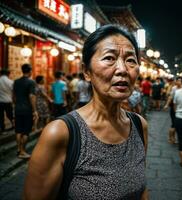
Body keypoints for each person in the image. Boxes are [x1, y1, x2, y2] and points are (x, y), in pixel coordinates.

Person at [23, 24, 148, 200]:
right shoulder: (60, 133)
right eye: (109, 58)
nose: (122, 69)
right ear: (86, 72)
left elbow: (142, 191)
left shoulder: (139, 125)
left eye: (130, 60)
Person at [13, 64, 38, 159]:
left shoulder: (16, 82)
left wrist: (16, 104)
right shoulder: (31, 82)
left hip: (18, 108)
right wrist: (35, 110)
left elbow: (14, 96)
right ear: (30, 71)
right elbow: (32, 96)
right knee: (26, 131)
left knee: (18, 130)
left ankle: (19, 149)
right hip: (27, 109)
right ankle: (23, 151)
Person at [164, 76, 182, 144]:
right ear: (176, 81)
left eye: (180, 80)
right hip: (174, 108)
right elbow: (170, 97)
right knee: (174, 124)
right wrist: (167, 105)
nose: (179, 82)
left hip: (181, 108)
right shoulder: (174, 88)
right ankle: (171, 137)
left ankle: (175, 138)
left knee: (178, 125)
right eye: (178, 80)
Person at [0, 68, 14, 133]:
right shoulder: (10, 82)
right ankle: (14, 126)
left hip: (0, 101)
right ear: (8, 74)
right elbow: (13, 91)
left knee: (1, 116)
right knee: (10, 114)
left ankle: (2, 129)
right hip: (8, 101)